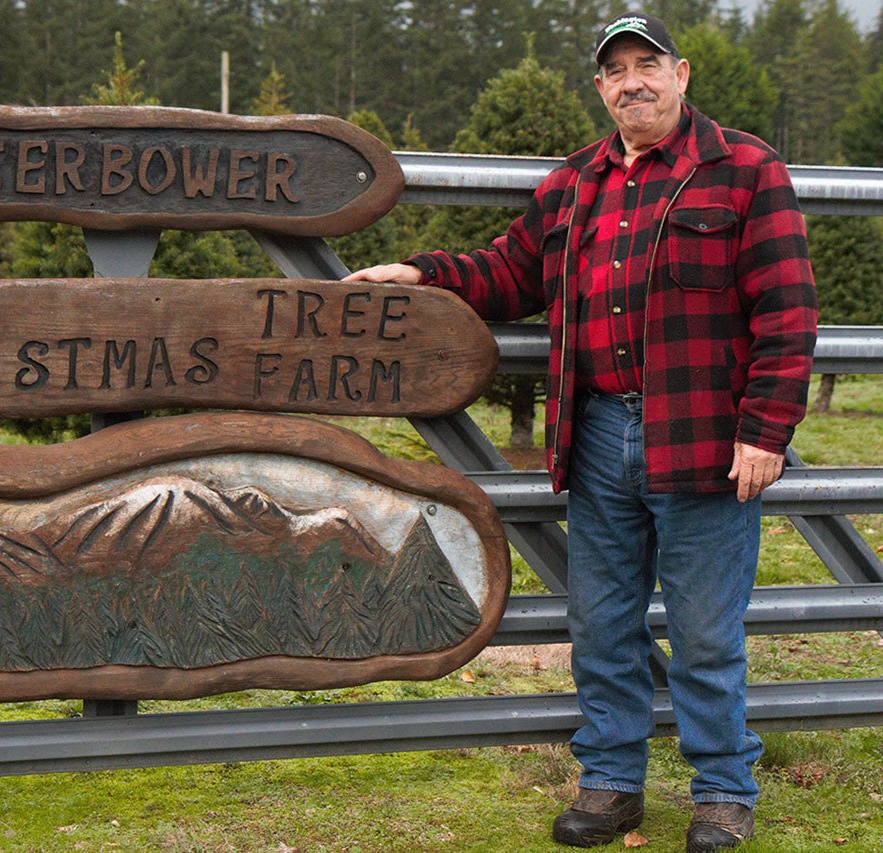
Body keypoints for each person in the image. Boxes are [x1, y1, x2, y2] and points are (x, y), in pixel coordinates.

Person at [346, 12, 817, 851]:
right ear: (600, 87)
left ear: (681, 73)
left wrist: (766, 430)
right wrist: (421, 272)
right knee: (603, 622)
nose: (632, 81)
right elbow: (509, 270)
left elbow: (787, 310)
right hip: (599, 433)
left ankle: (722, 791)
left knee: (707, 629)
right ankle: (610, 784)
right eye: (615, 70)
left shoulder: (745, 169)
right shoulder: (574, 183)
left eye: (647, 64)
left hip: (706, 437)